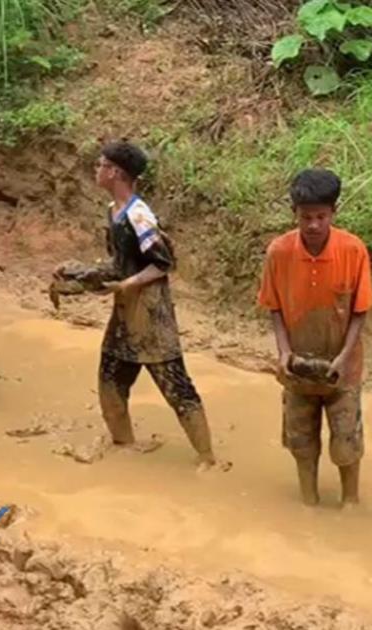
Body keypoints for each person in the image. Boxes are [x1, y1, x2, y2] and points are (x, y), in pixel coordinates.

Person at [92, 141, 219, 469]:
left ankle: (207, 457)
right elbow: (121, 262)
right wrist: (83, 276)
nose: (97, 170)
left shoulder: (138, 215)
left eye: (100, 165)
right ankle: (124, 445)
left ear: (115, 172)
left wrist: (127, 284)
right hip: (124, 312)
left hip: (150, 314)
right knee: (109, 381)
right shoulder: (113, 211)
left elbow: (163, 263)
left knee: (176, 386)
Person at [257, 168, 372, 507]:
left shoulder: (353, 251)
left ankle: (350, 502)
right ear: (294, 213)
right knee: (301, 441)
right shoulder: (279, 252)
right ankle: (308, 499)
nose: (312, 225)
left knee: (346, 442)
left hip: (343, 368)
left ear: (333, 213)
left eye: (321, 217)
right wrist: (283, 352)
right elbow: (274, 306)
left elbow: (360, 310)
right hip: (296, 366)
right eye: (305, 217)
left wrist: (343, 357)